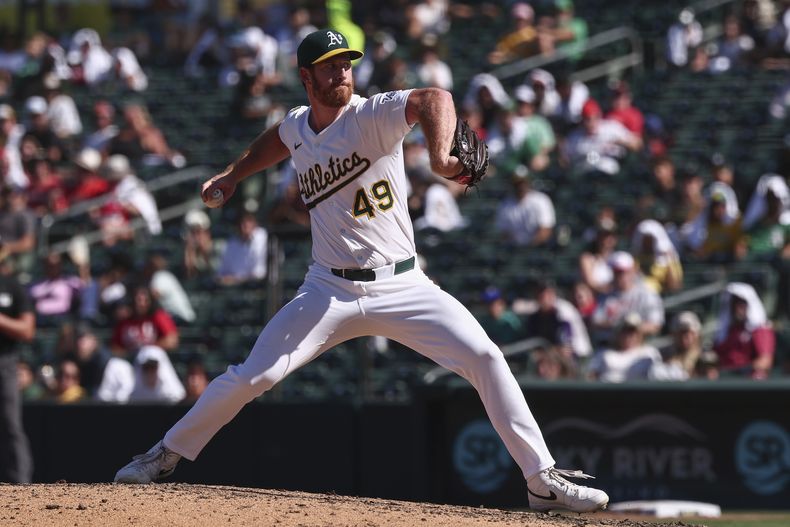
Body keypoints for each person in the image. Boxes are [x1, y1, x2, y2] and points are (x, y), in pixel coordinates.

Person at [113, 28, 609, 513]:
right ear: (306, 77)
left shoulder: (371, 113)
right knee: (250, 377)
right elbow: (277, 140)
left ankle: (542, 479)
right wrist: (233, 174)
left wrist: (440, 157)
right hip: (328, 288)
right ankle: (163, 454)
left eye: (346, 63)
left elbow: (433, 97)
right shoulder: (299, 126)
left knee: (485, 356)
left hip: (403, 284)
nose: (342, 73)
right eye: (329, 67)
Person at [0, 256, 35, 482]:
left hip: (4, 362)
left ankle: (20, 485)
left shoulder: (11, 287)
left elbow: (27, 330)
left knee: (10, 423)